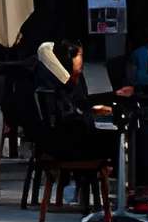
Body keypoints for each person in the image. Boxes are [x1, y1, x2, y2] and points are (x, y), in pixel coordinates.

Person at [34, 40, 116, 168]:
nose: (81, 59)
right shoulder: (63, 85)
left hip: (68, 137)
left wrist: (94, 109)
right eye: (79, 55)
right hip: (66, 143)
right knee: (113, 139)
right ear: (68, 58)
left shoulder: (74, 79)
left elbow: (81, 105)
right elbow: (70, 114)